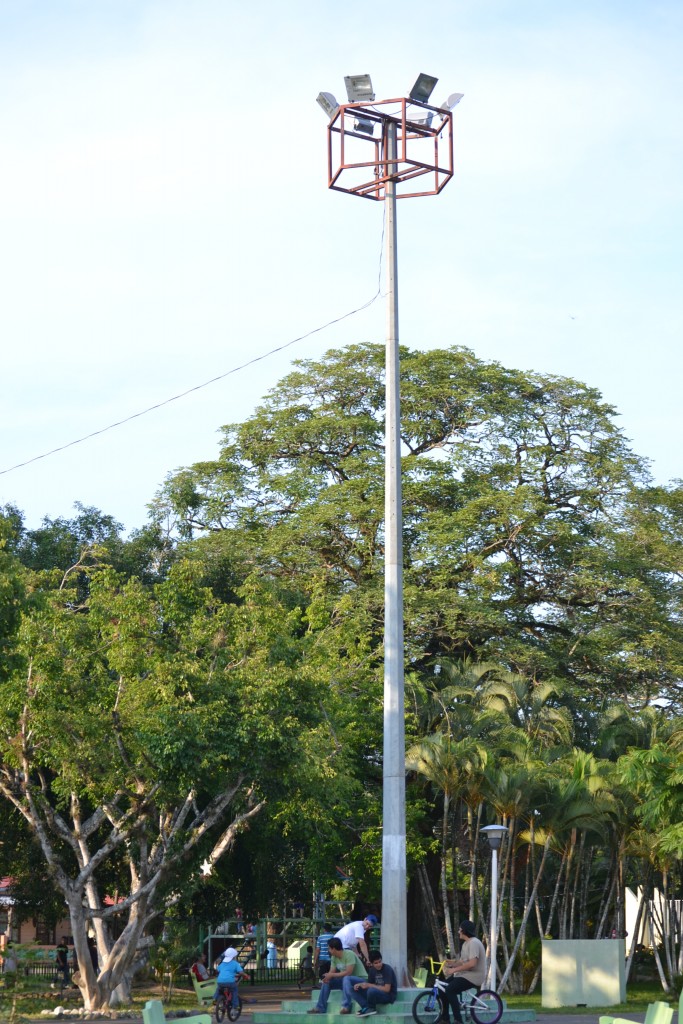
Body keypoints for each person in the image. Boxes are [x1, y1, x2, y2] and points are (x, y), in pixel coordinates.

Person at [439, 921, 487, 1024]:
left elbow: (472, 964)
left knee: (450, 990)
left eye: (460, 929)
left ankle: (458, 1020)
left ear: (464, 931)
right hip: (465, 974)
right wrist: (452, 964)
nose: (458, 931)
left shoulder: (474, 943)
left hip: (474, 976)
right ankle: (445, 1019)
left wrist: (454, 970)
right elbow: (462, 962)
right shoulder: (466, 944)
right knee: (442, 989)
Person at [307, 937, 367, 1015]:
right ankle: (320, 1007)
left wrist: (331, 974)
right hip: (346, 983)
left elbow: (348, 972)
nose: (328, 950)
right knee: (327, 982)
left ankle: (346, 1007)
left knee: (346, 978)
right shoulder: (333, 958)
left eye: (329, 948)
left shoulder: (349, 954)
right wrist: (327, 977)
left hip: (360, 980)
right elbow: (332, 972)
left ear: (334, 949)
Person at [347, 949, 397, 1016]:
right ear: (372, 963)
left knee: (371, 990)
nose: (379, 964)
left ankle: (371, 1008)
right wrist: (361, 985)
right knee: (351, 989)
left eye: (380, 962)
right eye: (376, 963)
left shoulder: (387, 969)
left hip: (387, 996)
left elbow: (387, 989)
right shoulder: (372, 970)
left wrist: (369, 985)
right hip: (374, 993)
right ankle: (366, 1007)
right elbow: (370, 985)